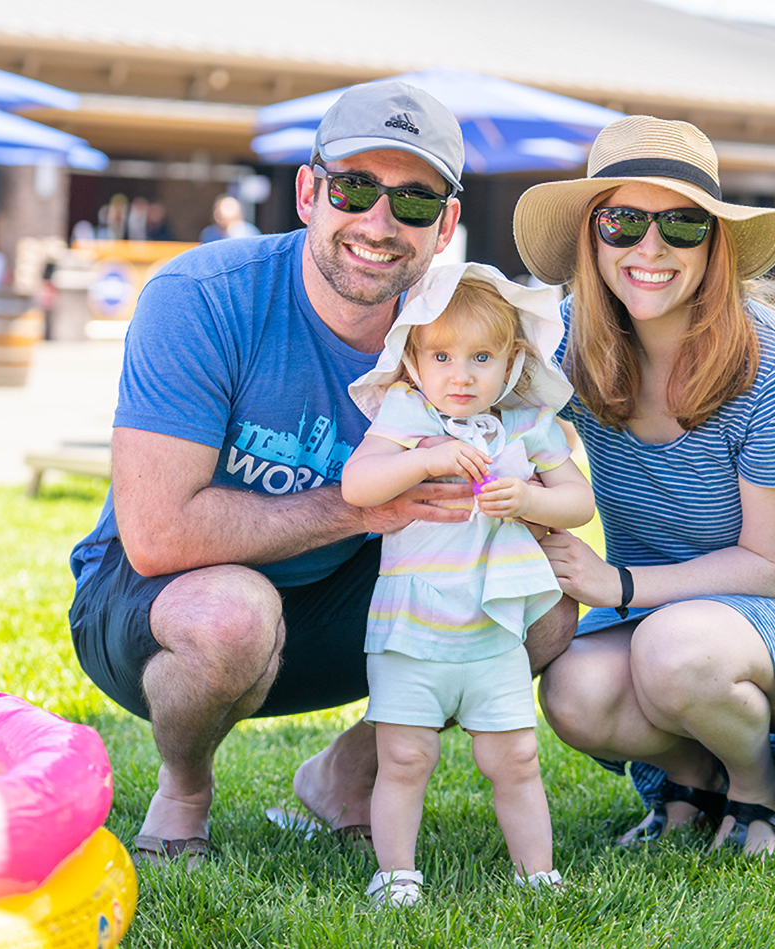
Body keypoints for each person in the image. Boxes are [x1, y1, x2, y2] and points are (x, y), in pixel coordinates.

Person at [66, 79, 578, 869]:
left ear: (445, 228)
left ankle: (348, 774)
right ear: (309, 192)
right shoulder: (200, 298)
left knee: (541, 598)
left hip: (352, 606)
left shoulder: (461, 333)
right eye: (354, 188)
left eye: (412, 202)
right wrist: (362, 508)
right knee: (231, 615)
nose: (379, 222)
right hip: (164, 607)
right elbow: (158, 535)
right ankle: (184, 788)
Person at [511, 115, 775, 856]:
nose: (649, 248)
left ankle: (758, 784)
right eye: (621, 221)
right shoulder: (564, 345)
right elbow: (467, 371)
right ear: (591, 238)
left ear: (715, 244)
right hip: (668, 606)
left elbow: (767, 567)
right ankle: (692, 781)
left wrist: (613, 582)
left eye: (681, 225)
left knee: (674, 654)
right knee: (574, 691)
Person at [342, 265, 594, 904]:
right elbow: (357, 485)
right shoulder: (407, 415)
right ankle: (395, 873)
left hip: (494, 630)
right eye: (443, 356)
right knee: (405, 759)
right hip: (411, 629)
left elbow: (578, 502)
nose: (461, 375)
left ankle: (538, 874)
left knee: (515, 760)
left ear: (511, 361)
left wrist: (530, 501)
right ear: (415, 361)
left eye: (481, 357)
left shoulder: (524, 424)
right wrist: (421, 459)